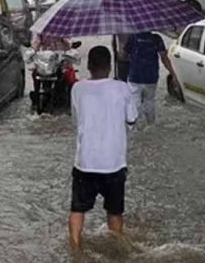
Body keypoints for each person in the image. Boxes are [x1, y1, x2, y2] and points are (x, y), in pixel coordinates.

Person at [69, 46, 138, 249]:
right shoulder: (122, 88)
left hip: (85, 163)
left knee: (77, 210)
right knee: (115, 212)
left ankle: (75, 250)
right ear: (109, 66)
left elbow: (76, 121)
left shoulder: (77, 89)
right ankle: (116, 248)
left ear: (89, 66)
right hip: (114, 163)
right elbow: (132, 119)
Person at [125, 32, 177, 125]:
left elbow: (125, 55)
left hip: (135, 77)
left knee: (134, 104)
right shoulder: (157, 39)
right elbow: (164, 58)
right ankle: (150, 123)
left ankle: (135, 127)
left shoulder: (132, 37)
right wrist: (172, 73)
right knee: (150, 102)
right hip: (151, 77)